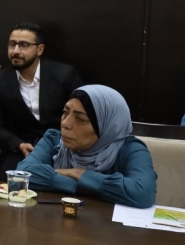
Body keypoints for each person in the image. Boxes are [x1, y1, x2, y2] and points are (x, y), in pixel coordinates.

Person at [18, 85, 156, 208]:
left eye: (80, 119)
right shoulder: (54, 139)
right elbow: (22, 174)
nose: (65, 124)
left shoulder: (131, 150)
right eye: (65, 113)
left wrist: (80, 173)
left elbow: (143, 193)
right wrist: (86, 185)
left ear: (105, 127)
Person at [0, 22, 83, 180]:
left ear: (40, 49)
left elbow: (82, 115)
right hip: (24, 150)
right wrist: (19, 144)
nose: (15, 51)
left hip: (64, 149)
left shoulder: (64, 75)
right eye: (12, 44)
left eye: (23, 45)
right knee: (6, 184)